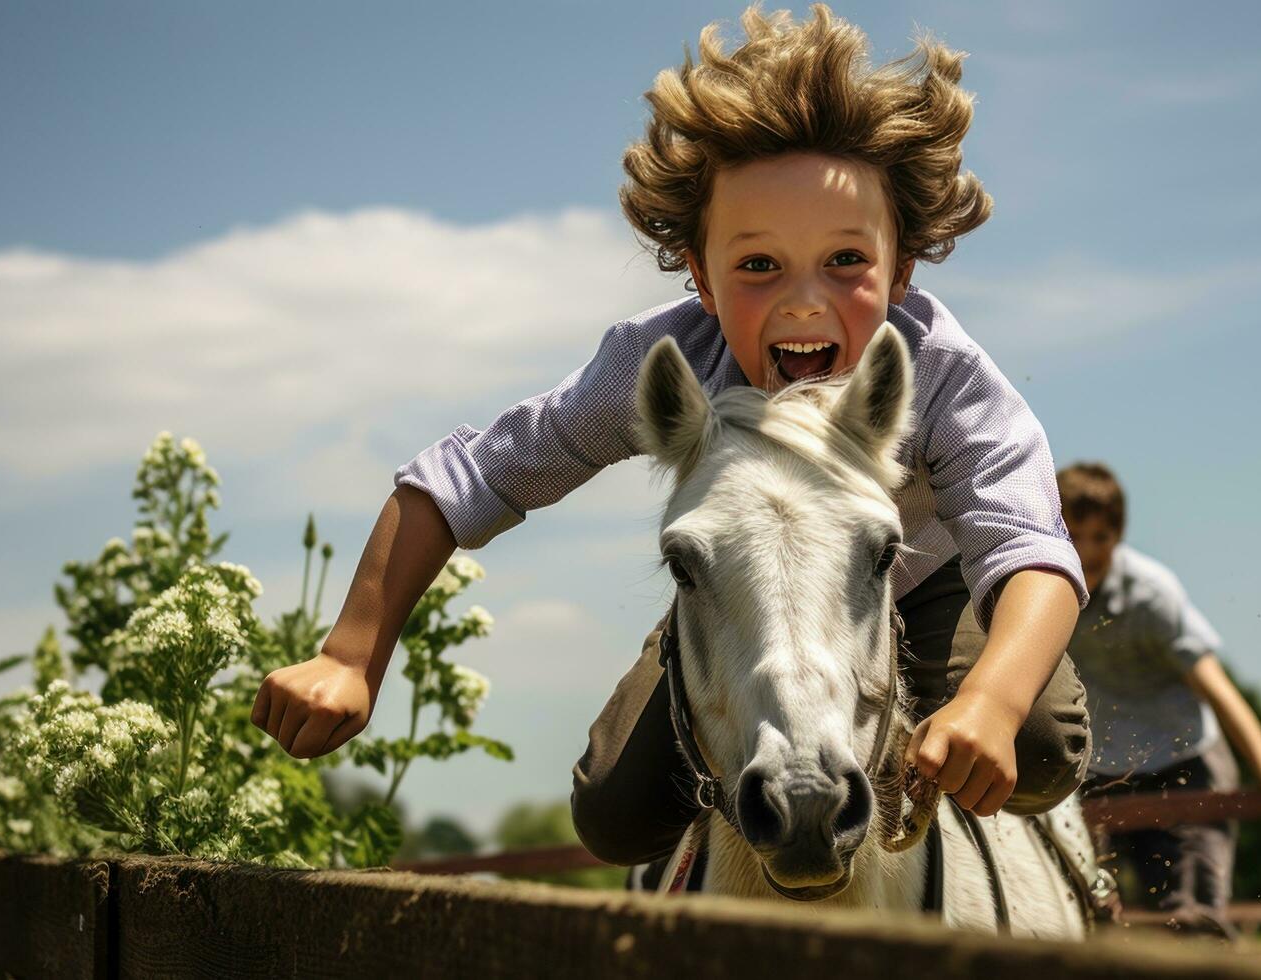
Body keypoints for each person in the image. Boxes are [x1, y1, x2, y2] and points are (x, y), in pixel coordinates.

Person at [250, 3, 1094, 870]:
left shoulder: (943, 372)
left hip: (920, 581)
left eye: (846, 262)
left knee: (1036, 738)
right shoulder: (654, 362)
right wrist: (350, 655)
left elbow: (1027, 547)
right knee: (615, 816)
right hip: (742, 597)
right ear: (698, 275)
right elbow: (468, 479)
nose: (804, 302)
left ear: (902, 268)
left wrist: (990, 696)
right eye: (758, 265)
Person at [1056, 461, 1261, 938]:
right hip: (1103, 772)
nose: (1087, 551)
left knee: (1191, 916)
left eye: (1101, 537)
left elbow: (1217, 688)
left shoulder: (1150, 595)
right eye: (1074, 534)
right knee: (1085, 908)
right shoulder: (1046, 591)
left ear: (1119, 537)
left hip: (1184, 762)